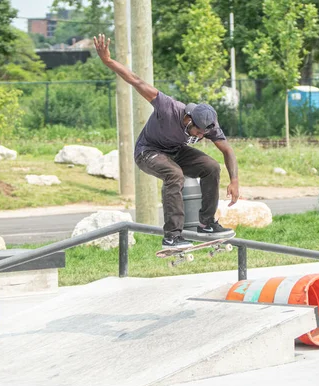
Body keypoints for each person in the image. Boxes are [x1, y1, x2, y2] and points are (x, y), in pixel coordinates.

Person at [93, 33, 240, 249]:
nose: (199, 137)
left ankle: (207, 223)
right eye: (196, 132)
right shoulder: (168, 106)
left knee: (211, 166)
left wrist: (234, 179)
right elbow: (136, 80)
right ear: (188, 118)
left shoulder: (208, 124)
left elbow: (227, 150)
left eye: (202, 135)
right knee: (174, 175)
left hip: (175, 151)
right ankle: (172, 236)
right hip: (148, 152)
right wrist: (107, 60)